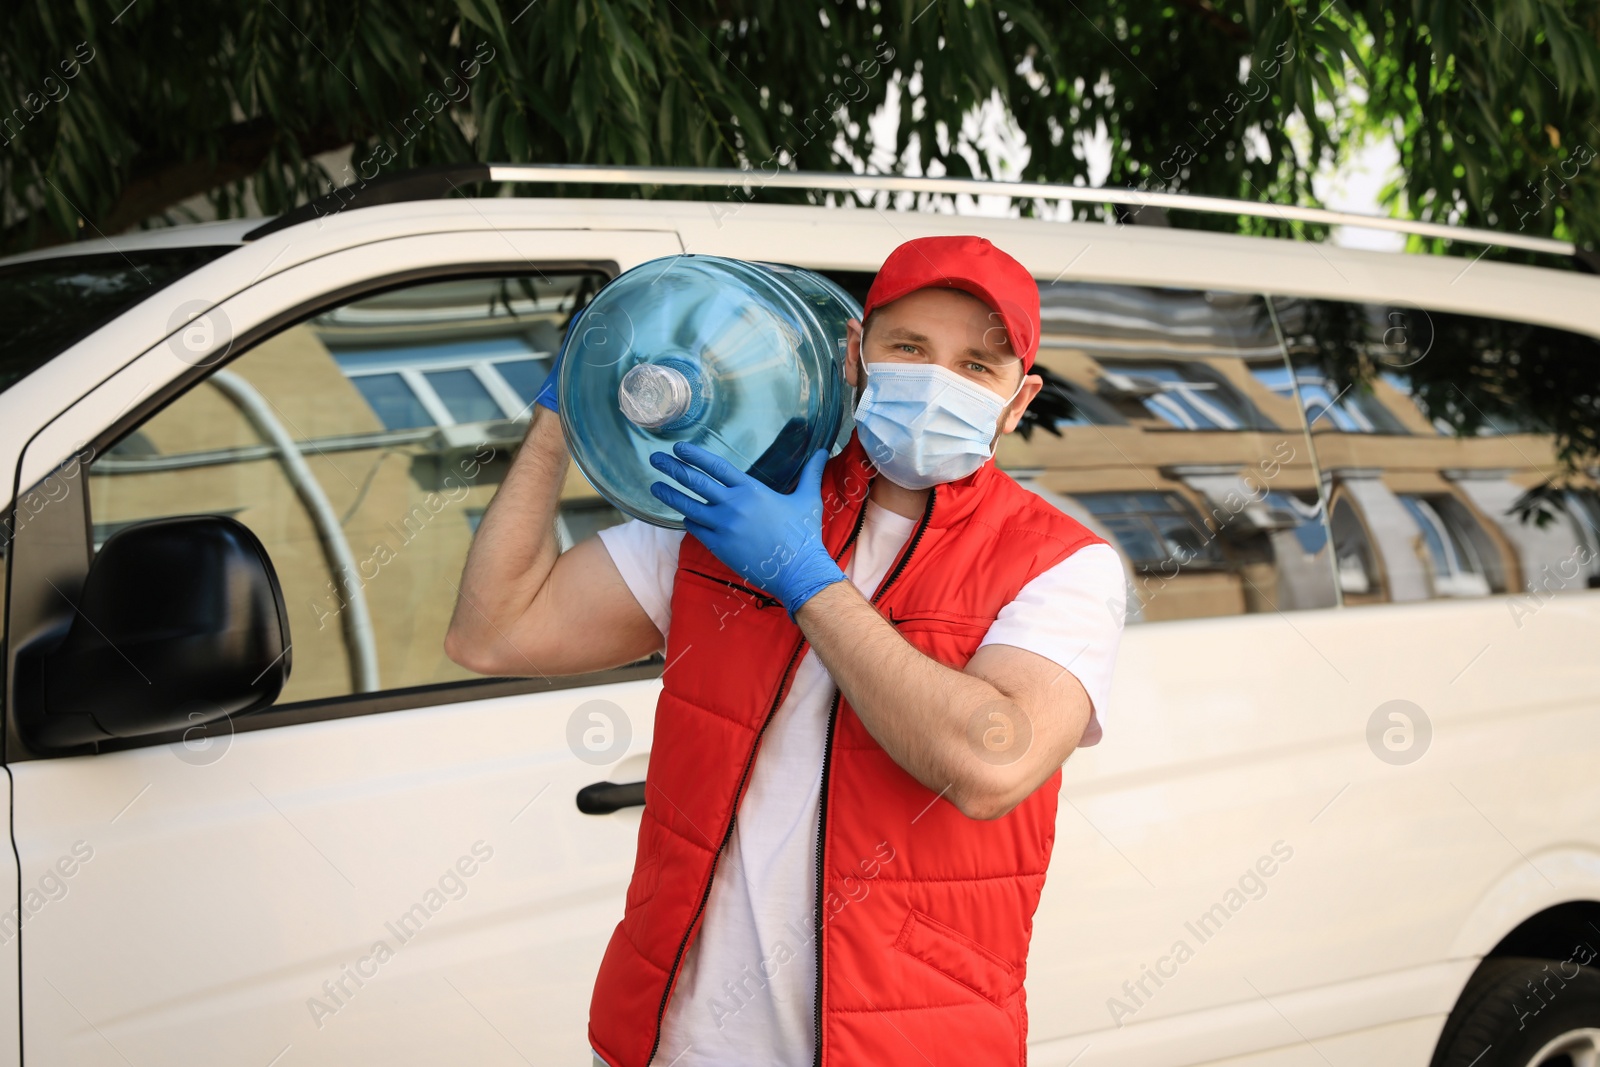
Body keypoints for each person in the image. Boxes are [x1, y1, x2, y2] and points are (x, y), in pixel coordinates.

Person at [444, 235, 1126, 1066]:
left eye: (976, 368)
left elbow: (988, 764)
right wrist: (564, 412)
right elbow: (495, 629)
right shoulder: (732, 507)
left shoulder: (1063, 566)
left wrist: (803, 577)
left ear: (1018, 402)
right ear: (854, 354)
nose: (938, 381)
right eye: (909, 348)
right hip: (671, 1043)